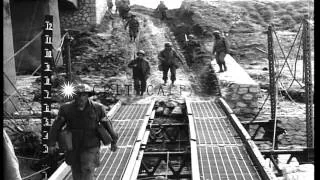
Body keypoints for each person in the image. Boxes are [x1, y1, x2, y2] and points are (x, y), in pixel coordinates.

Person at [48, 83, 118, 180]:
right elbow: (56, 126)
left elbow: (107, 124)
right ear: (74, 96)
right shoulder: (66, 109)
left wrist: (114, 140)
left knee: (88, 168)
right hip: (73, 144)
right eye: (78, 95)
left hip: (91, 144)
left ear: (88, 96)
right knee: (76, 171)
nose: (81, 98)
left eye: (84, 95)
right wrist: (51, 143)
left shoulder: (97, 108)